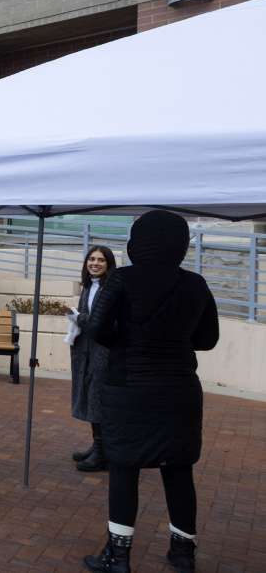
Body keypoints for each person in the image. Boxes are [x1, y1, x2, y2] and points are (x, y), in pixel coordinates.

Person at [82, 210, 218, 573]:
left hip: (129, 388)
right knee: (178, 468)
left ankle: (118, 555)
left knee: (124, 468)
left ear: (136, 242)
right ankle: (183, 551)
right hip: (179, 390)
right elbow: (208, 340)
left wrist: (127, 339)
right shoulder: (195, 284)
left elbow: (97, 329)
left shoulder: (122, 280)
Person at [70, 245, 117, 472]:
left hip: (102, 352)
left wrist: (78, 319)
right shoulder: (89, 287)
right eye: (91, 259)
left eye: (100, 260)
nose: (95, 263)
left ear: (108, 265)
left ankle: (102, 452)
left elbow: (102, 322)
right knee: (90, 396)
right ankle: (98, 445)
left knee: (97, 398)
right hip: (87, 350)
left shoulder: (110, 289)